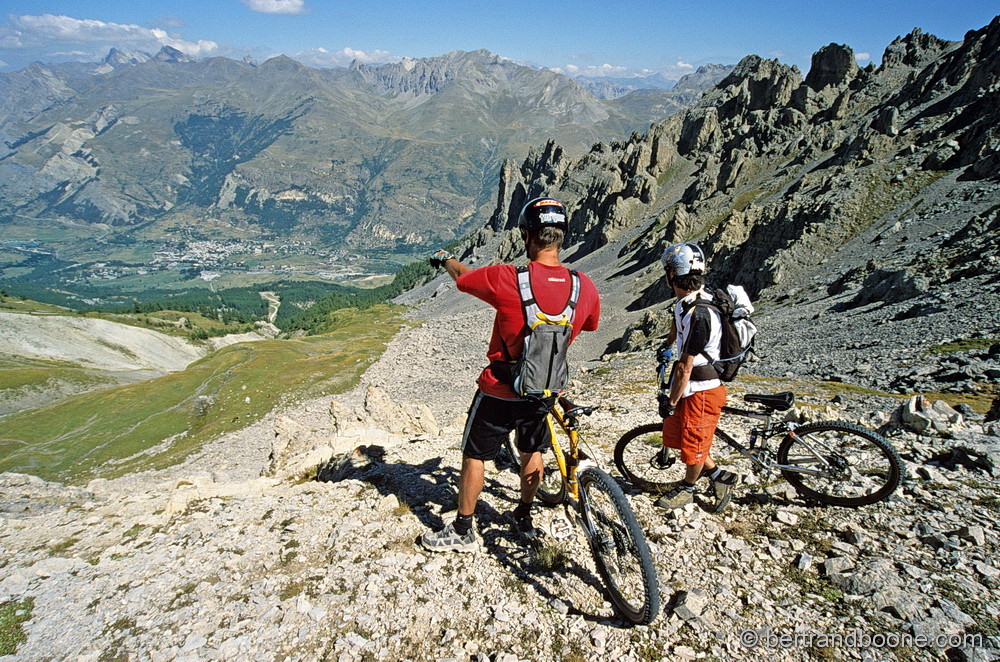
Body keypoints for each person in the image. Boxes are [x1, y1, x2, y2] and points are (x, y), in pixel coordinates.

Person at [420, 196, 601, 552]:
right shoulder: (586, 287)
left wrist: (445, 259)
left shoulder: (507, 279)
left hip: (500, 389)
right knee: (532, 450)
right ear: (561, 236)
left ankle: (463, 530)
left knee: (474, 455)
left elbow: (464, 278)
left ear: (527, 235)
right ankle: (523, 513)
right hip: (544, 390)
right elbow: (591, 325)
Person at [654, 242, 736, 510]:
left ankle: (688, 488)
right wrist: (667, 345)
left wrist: (671, 401)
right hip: (693, 387)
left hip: (702, 389)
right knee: (681, 436)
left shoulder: (699, 313)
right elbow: (677, 325)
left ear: (672, 275)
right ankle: (718, 476)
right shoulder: (689, 302)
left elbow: (684, 367)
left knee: (694, 443)